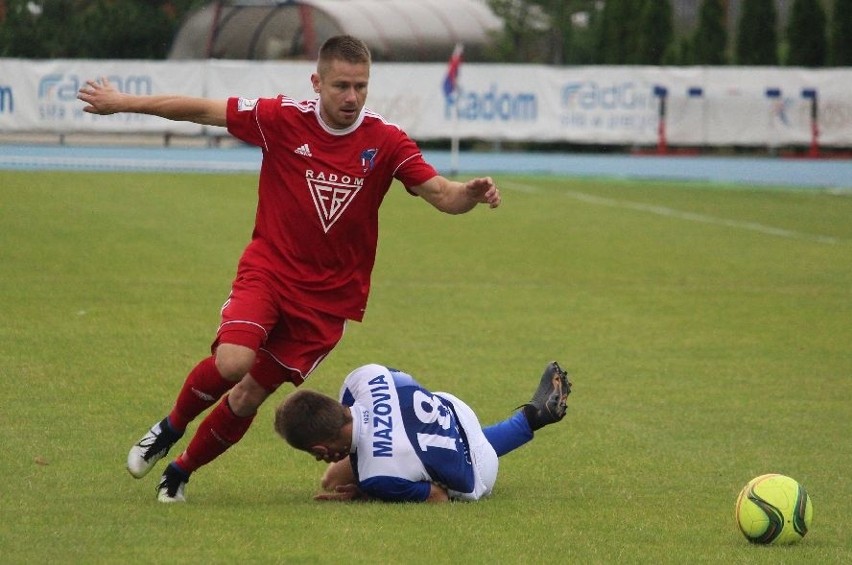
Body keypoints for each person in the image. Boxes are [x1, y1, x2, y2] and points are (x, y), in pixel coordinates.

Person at [76, 35, 501, 503]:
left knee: (248, 396)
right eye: (341, 85)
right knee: (233, 362)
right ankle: (169, 427)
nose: (352, 97)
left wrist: (470, 194)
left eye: (361, 86)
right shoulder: (281, 119)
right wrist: (122, 103)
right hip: (271, 272)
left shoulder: (385, 141)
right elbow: (201, 110)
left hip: (326, 304)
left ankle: (179, 472)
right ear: (316, 82)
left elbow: (442, 193)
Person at [275, 361, 572, 503]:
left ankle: (528, 421)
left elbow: (437, 497)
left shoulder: (376, 476)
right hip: (454, 411)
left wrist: (369, 495)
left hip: (480, 471)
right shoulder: (360, 378)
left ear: (320, 451)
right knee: (428, 444)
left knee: (332, 479)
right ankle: (531, 419)